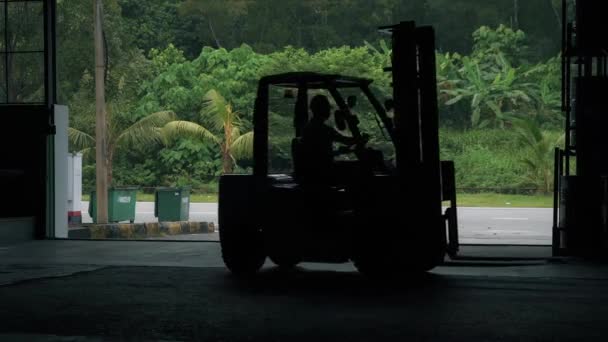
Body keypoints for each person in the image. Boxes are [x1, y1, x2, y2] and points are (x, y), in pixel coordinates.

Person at [299, 95, 362, 184]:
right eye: (327, 108)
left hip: (314, 169)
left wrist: (341, 150)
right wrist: (340, 151)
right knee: (358, 169)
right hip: (323, 170)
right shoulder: (324, 129)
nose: (329, 111)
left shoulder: (307, 128)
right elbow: (321, 155)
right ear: (323, 110)